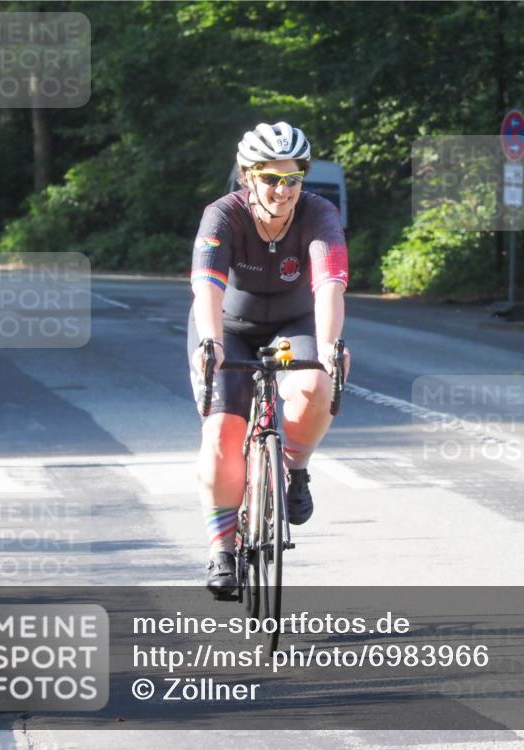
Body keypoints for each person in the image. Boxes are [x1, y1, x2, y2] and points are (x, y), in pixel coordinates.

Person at [187, 121, 351, 595]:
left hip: (293, 325)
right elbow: (206, 288)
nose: (283, 190)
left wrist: (327, 348)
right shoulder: (222, 215)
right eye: (270, 178)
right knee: (222, 431)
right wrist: (212, 345)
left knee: (317, 384)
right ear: (247, 176)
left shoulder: (319, 214)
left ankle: (295, 469)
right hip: (229, 328)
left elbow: (329, 285)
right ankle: (221, 547)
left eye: (293, 178)